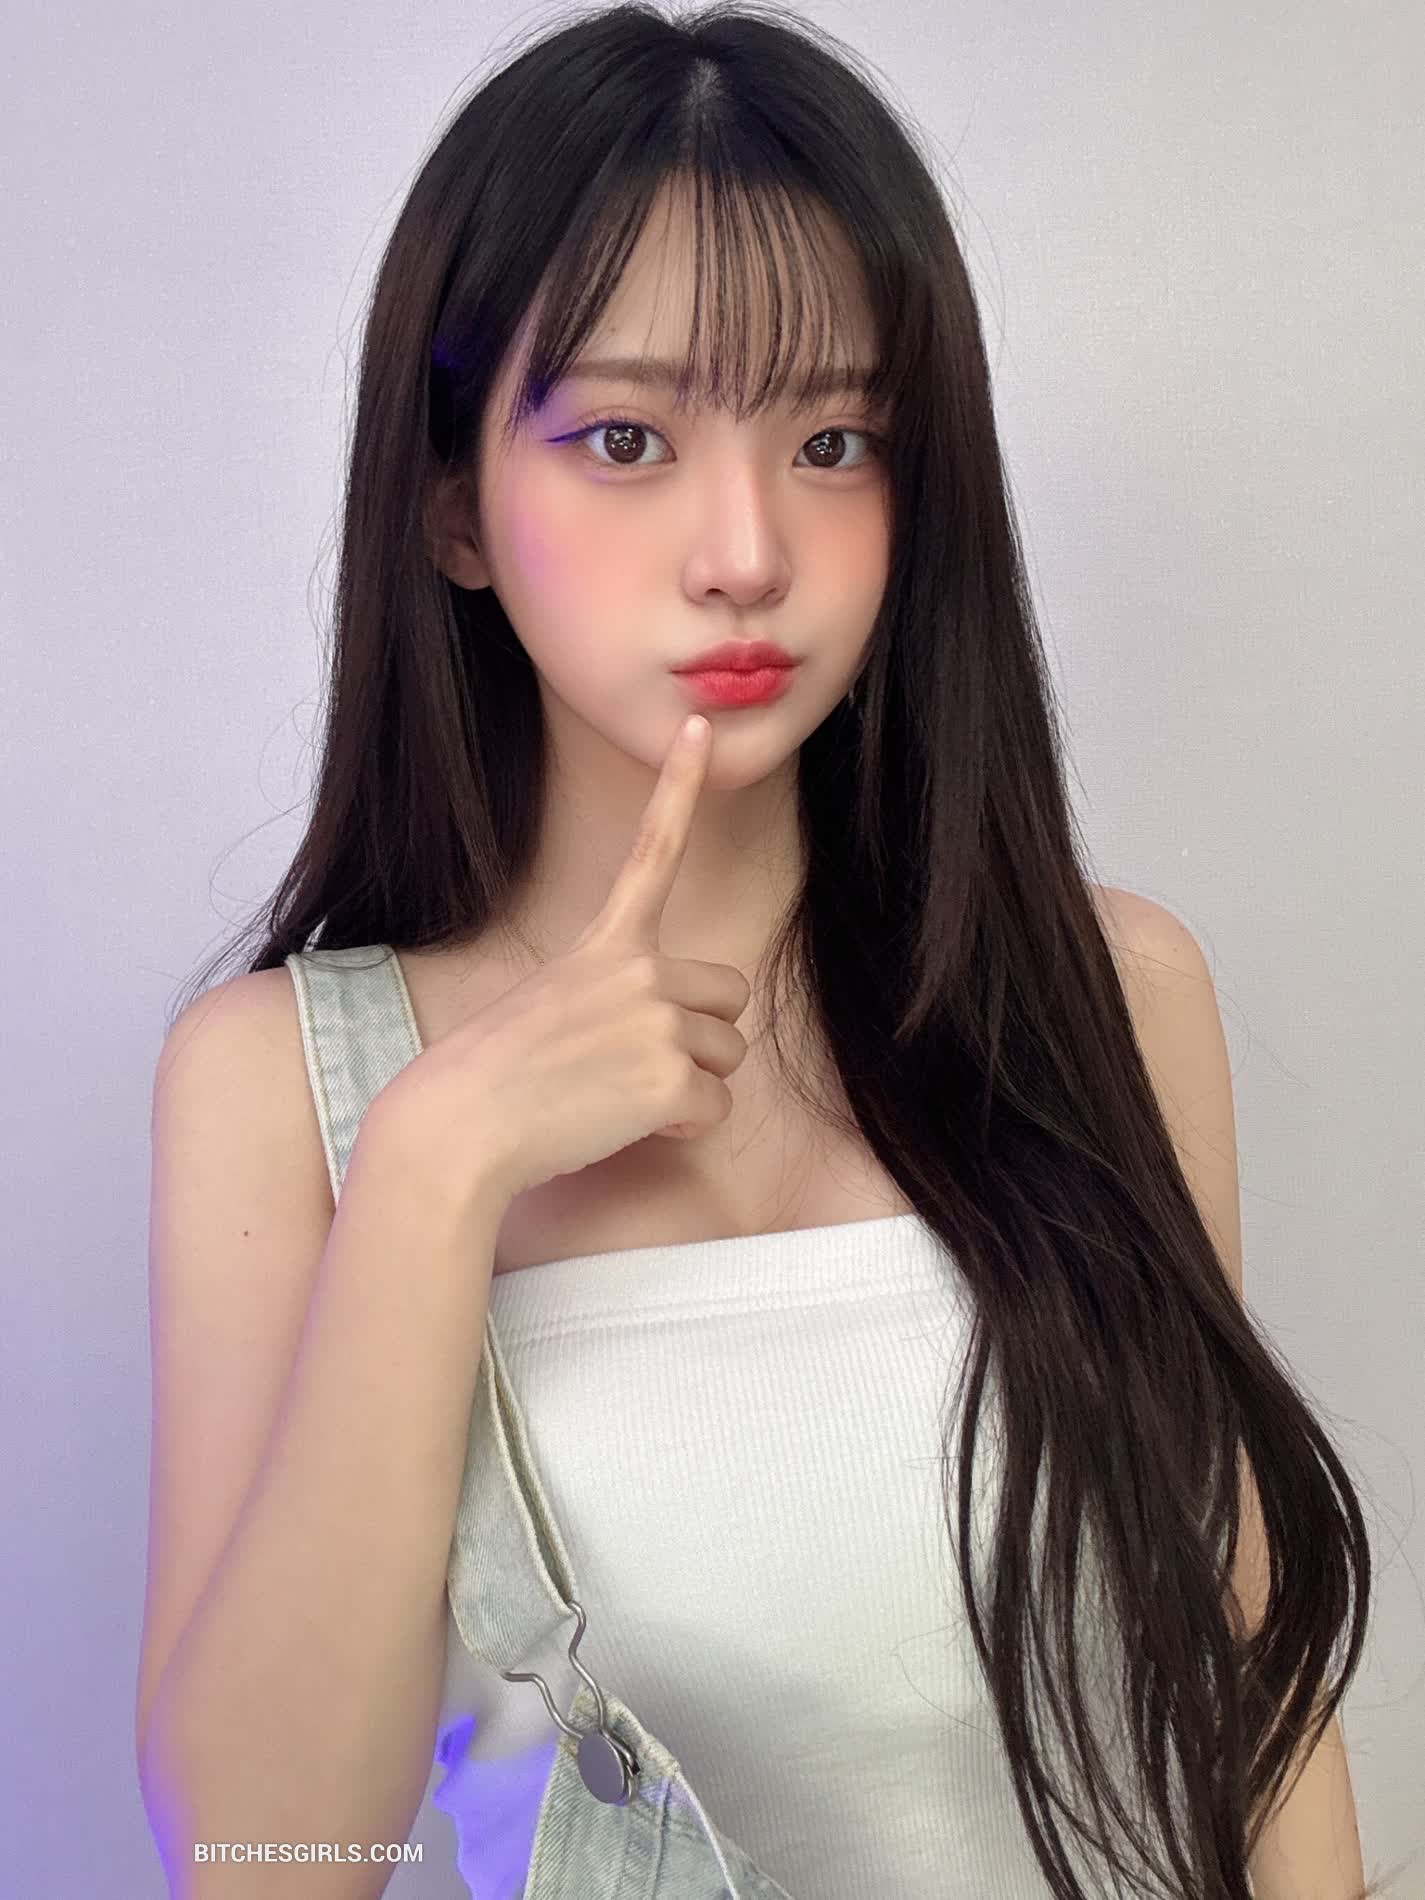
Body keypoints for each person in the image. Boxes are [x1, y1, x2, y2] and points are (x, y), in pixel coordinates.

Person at [135, 5, 1386, 1898]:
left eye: (832, 441)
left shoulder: (1111, 996)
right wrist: (437, 1165)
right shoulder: (279, 1086)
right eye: (624, 438)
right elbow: (262, 1863)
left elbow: (1248, 1689)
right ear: (453, 504)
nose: (744, 550)